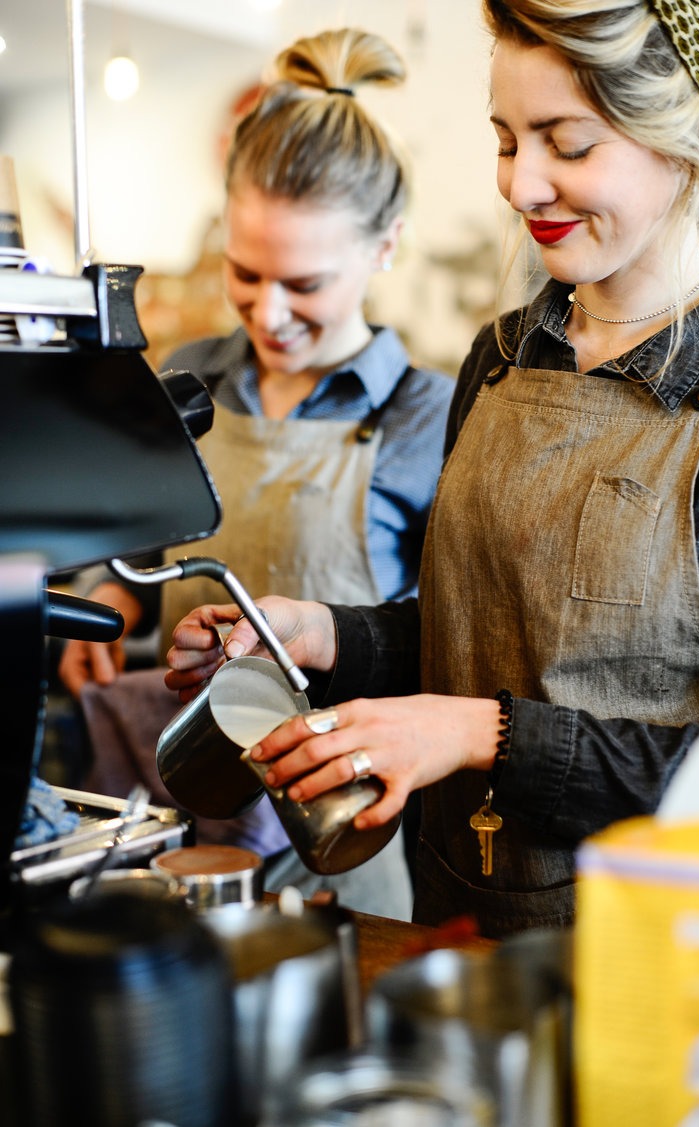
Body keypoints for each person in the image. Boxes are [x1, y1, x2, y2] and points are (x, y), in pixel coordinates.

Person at [164, 0, 699, 942]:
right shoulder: (502, 357)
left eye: (567, 144)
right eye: (507, 141)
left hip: (653, 951)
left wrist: (483, 735)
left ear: (691, 143)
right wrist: (326, 635)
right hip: (450, 918)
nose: (521, 185)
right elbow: (471, 635)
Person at [58, 27, 455, 921]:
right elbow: (145, 534)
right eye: (246, 273)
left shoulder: (430, 416)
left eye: (305, 284)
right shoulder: (190, 374)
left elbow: (443, 637)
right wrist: (111, 597)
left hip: (340, 832)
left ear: (386, 245)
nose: (269, 313)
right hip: (186, 810)